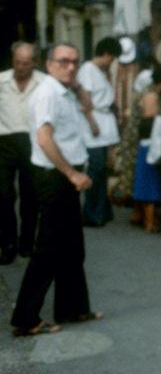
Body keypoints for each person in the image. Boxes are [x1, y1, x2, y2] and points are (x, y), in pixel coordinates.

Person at [10, 43, 102, 337]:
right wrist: (72, 173)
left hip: (64, 176)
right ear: (48, 65)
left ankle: (73, 308)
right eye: (63, 61)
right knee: (48, 248)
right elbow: (44, 138)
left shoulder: (64, 90)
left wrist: (77, 86)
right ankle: (25, 318)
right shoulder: (48, 93)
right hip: (55, 177)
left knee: (72, 246)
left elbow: (85, 109)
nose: (71, 66)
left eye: (75, 61)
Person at [0, 42, 44, 264]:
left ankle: (27, 241)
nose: (20, 67)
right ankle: (8, 244)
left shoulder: (44, 83)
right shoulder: (1, 81)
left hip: (32, 141)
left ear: (34, 63)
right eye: (17, 62)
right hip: (4, 142)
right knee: (3, 194)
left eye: (26, 63)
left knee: (31, 195)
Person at [77, 37, 122, 227]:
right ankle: (91, 212)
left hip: (103, 121)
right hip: (93, 122)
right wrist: (92, 122)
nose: (111, 62)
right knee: (95, 168)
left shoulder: (100, 71)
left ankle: (102, 210)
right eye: (111, 58)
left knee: (102, 168)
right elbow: (84, 97)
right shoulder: (87, 69)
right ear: (106, 54)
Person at [132, 63, 161, 232]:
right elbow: (150, 120)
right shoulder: (152, 95)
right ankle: (148, 221)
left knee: (146, 181)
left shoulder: (150, 93)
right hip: (150, 142)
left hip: (146, 142)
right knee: (149, 182)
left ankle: (142, 218)